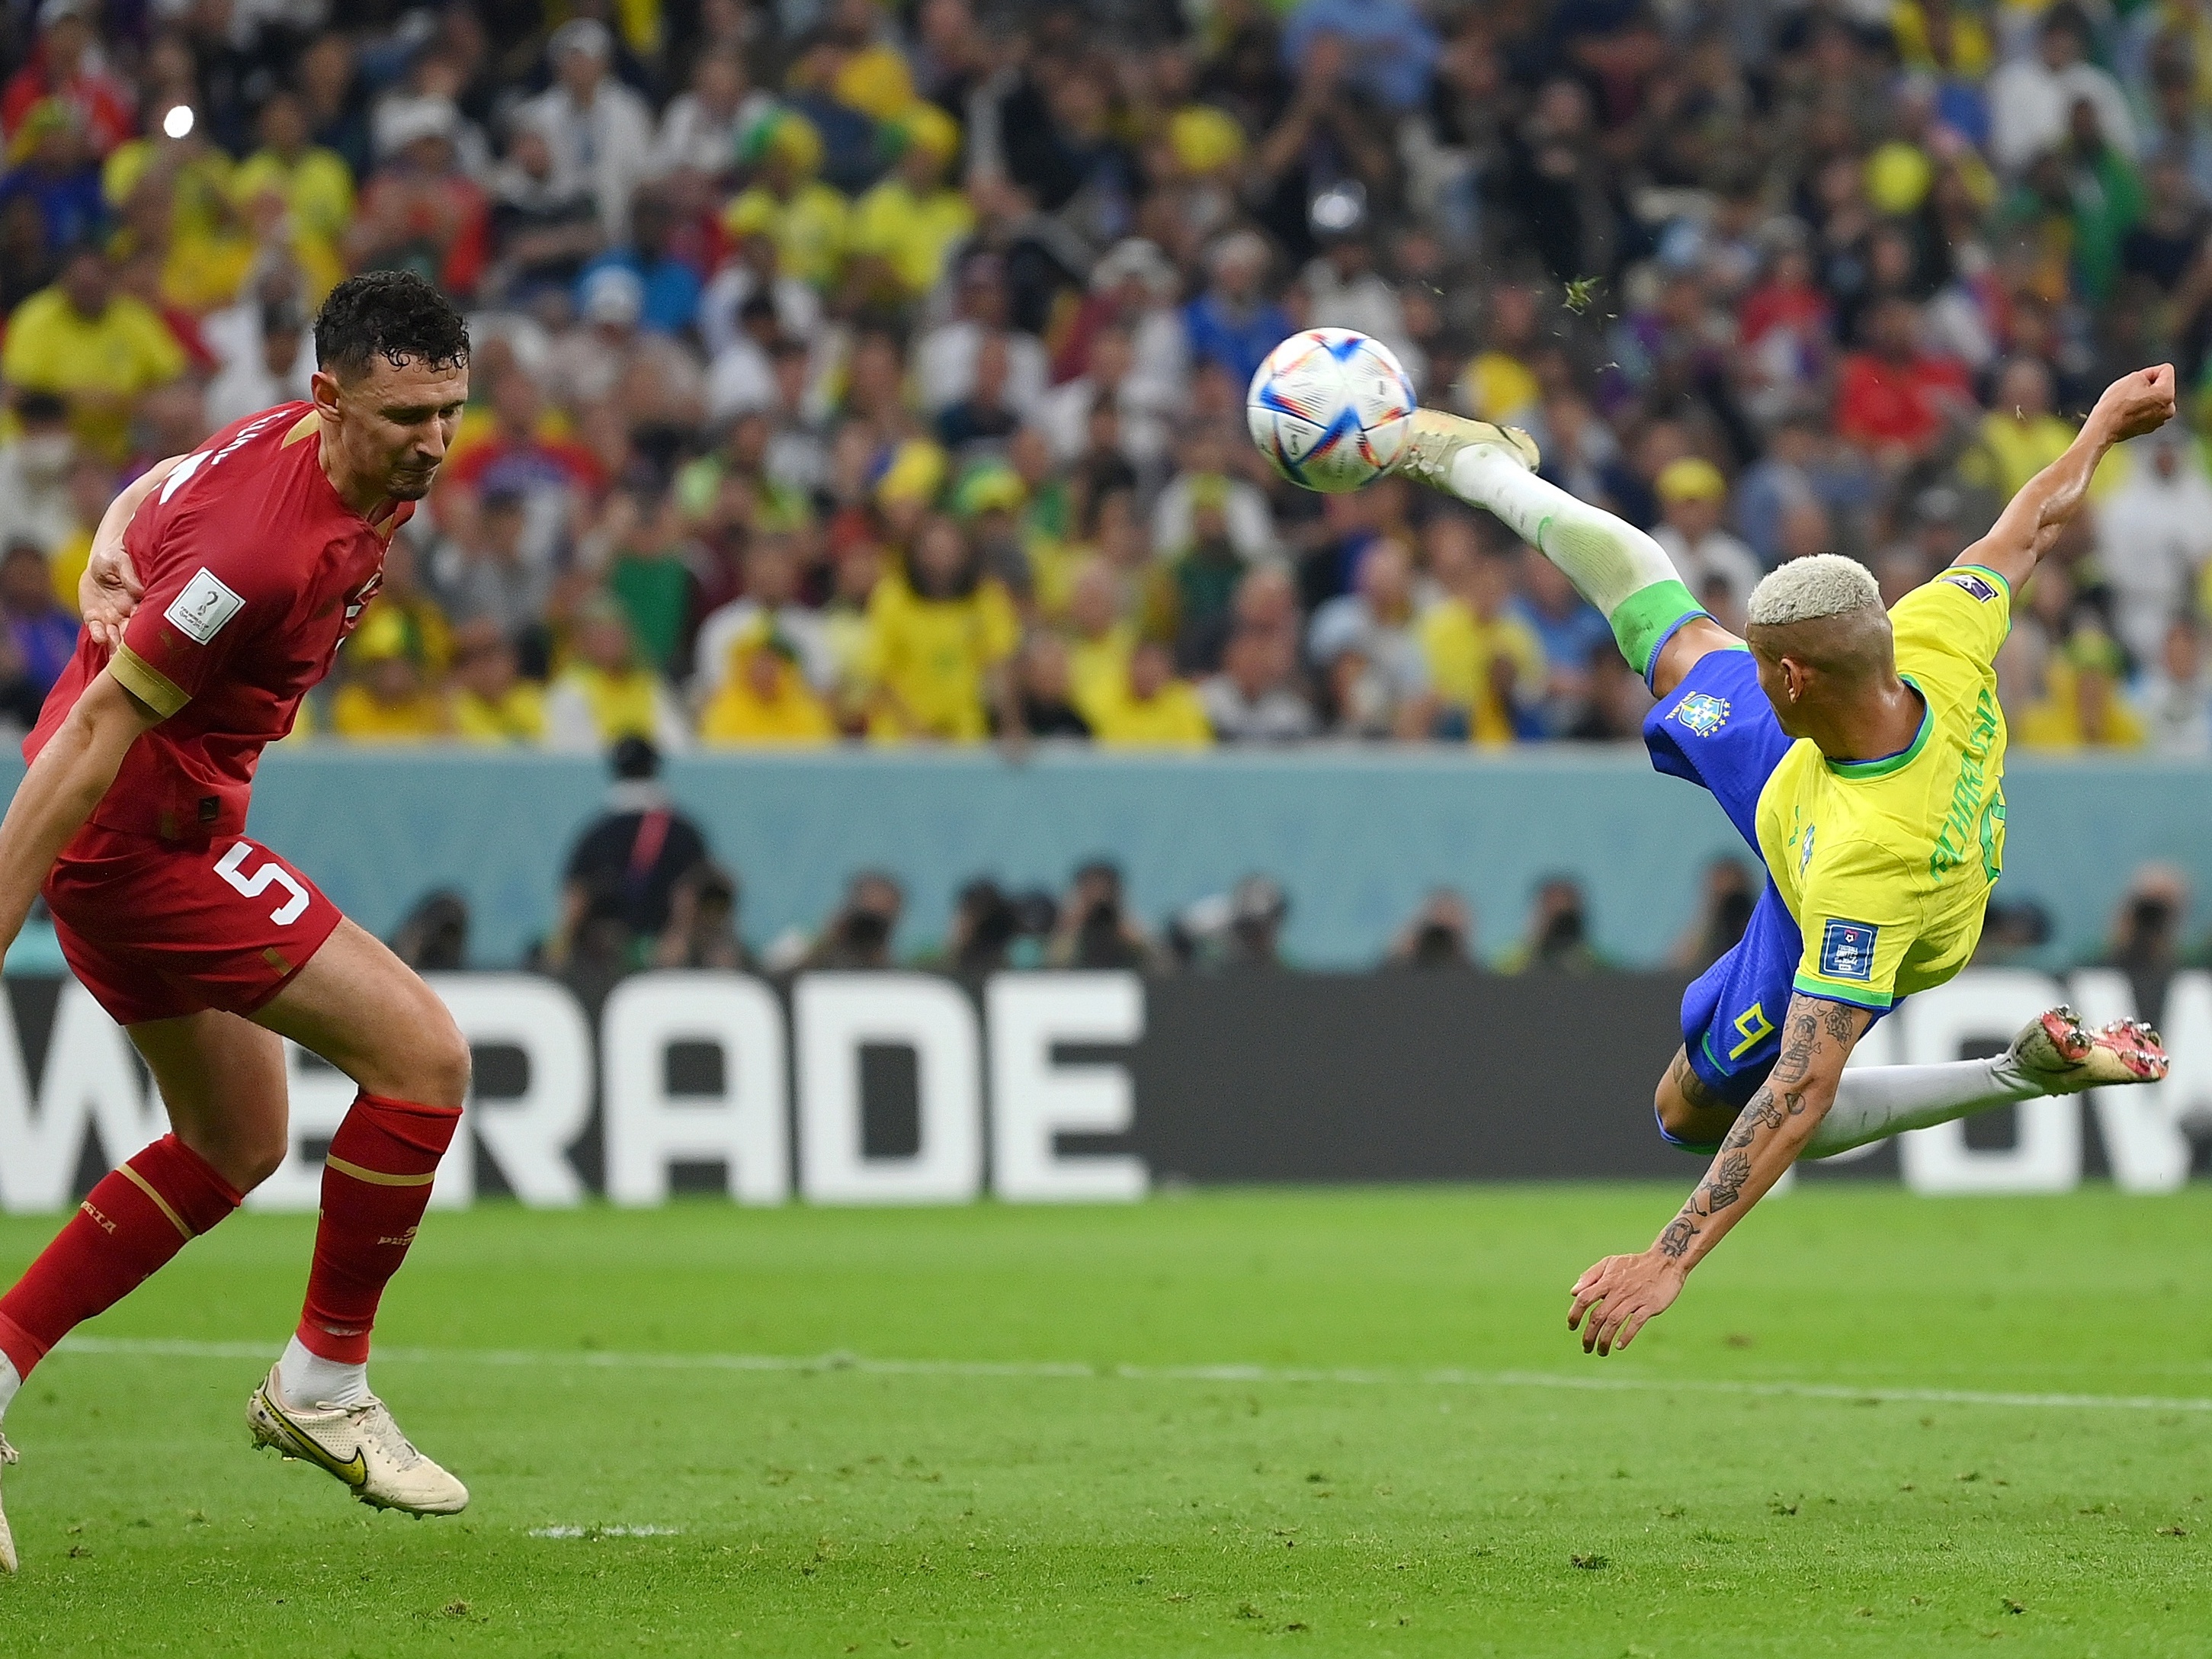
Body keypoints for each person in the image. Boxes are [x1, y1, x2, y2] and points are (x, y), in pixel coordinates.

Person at [1392, 367, 2177, 1358]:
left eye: (1760, 659)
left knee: (1685, 1110)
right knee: (1663, 627)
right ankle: (1485, 466)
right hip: (1815, 768)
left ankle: (2011, 1075)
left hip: (1860, 886)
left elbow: (1800, 1095)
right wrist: (2101, 424)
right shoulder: (1934, 633)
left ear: (1791, 675)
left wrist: (1669, 1253)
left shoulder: (1866, 876)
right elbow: (2028, 526)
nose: (1745, 665)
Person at [0, 272, 480, 1566]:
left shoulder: (297, 439)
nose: (431, 443)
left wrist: (105, 543)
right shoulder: (263, 553)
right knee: (425, 1061)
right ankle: (323, 1385)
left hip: (153, 830)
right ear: (333, 401)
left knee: (234, 1140)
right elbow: (102, 729)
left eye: (448, 411)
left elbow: (155, 487)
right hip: (146, 845)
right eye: (406, 418)